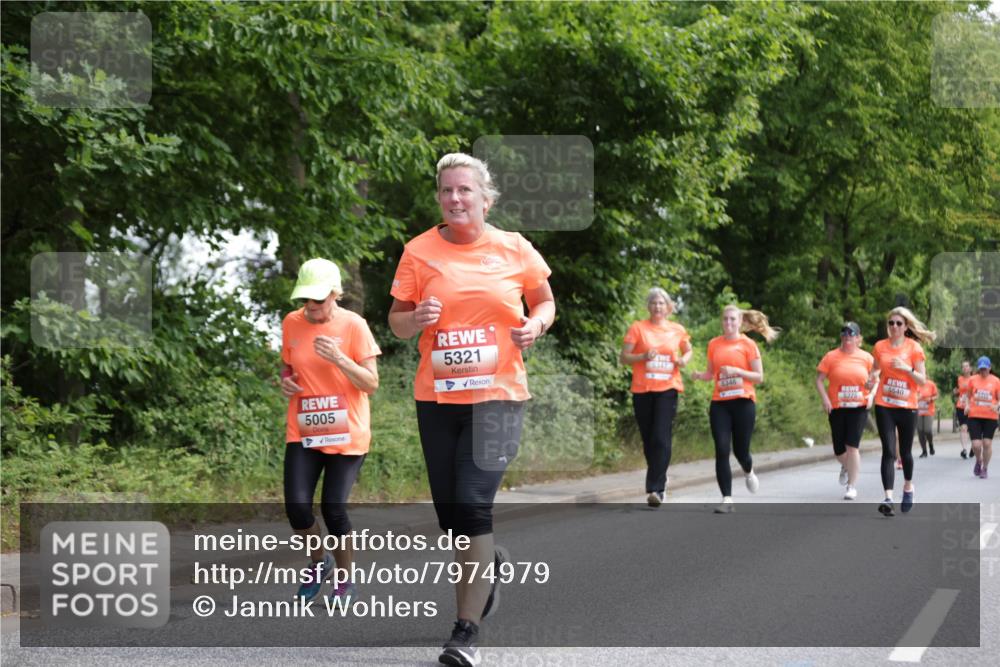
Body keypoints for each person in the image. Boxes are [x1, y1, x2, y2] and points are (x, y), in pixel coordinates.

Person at [388, 152, 555, 667]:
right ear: (439, 197)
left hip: (499, 396)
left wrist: (536, 326)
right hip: (437, 399)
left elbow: (545, 301)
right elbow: (394, 323)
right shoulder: (419, 251)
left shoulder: (514, 248)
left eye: (465, 190)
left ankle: (464, 632)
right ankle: (491, 567)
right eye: (446, 191)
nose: (455, 199)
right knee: (452, 519)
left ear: (486, 197)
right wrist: (416, 316)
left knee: (472, 503)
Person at [279, 258, 381, 602]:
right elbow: (288, 366)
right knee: (296, 507)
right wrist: (286, 382)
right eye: (305, 300)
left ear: (336, 294)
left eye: (319, 300)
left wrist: (340, 358)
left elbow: (371, 383)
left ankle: (345, 577)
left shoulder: (355, 326)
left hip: (347, 433)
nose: (311, 307)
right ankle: (317, 562)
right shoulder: (291, 323)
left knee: (333, 508)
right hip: (305, 428)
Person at [691, 304, 779, 513]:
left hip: (743, 403)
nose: (728, 323)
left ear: (740, 323)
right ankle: (727, 499)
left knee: (741, 451)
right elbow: (711, 373)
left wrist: (737, 371)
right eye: (725, 319)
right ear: (722, 322)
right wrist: (699, 375)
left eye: (733, 319)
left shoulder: (748, 345)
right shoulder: (714, 344)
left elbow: (759, 377)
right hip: (720, 403)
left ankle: (748, 471)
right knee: (722, 448)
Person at [620, 288, 693, 507]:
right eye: (653, 303)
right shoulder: (638, 328)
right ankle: (660, 474)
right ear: (648, 307)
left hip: (668, 388)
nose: (657, 307)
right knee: (649, 440)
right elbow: (623, 357)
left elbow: (688, 350)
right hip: (642, 390)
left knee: (661, 437)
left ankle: (656, 489)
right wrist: (642, 356)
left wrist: (683, 360)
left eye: (661, 303)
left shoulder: (677, 329)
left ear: (668, 306)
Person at [870, 307, 935, 516]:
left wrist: (906, 368)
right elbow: (875, 370)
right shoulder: (880, 347)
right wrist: (870, 380)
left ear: (905, 327)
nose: (894, 327)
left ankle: (908, 487)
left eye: (899, 323)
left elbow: (923, 380)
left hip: (907, 407)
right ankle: (888, 497)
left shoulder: (914, 348)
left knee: (905, 453)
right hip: (885, 404)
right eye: (891, 323)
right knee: (889, 451)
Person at [815, 321, 874, 500]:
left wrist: (871, 395)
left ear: (858, 338)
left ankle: (851, 486)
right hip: (837, 407)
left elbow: (877, 379)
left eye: (852, 335)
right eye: (845, 335)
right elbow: (819, 380)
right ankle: (846, 466)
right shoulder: (831, 356)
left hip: (858, 407)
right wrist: (825, 399)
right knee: (839, 449)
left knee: (852, 446)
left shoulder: (867, 358)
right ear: (842, 337)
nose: (848, 338)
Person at [965, 356, 1000, 479]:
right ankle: (978, 460)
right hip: (974, 415)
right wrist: (967, 406)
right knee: (976, 445)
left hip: (990, 416)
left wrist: (997, 406)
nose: (983, 371)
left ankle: (985, 468)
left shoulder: (996, 381)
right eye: (981, 369)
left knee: (986, 443)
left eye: (985, 369)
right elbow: (968, 396)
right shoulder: (973, 380)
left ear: (990, 368)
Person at [916, 375, 939, 457]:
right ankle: (924, 451)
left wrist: (931, 399)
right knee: (920, 431)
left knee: (927, 430)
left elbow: (936, 395)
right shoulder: (915, 383)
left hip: (929, 410)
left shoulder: (931, 384)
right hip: (918, 410)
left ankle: (930, 444)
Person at [955, 360, 973, 459]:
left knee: (972, 429)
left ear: (970, 368)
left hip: (971, 407)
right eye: (963, 366)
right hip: (960, 406)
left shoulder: (974, 379)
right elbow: (959, 390)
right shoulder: (960, 379)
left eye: (966, 366)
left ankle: (973, 447)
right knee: (963, 428)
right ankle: (964, 449)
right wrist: (956, 391)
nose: (965, 368)